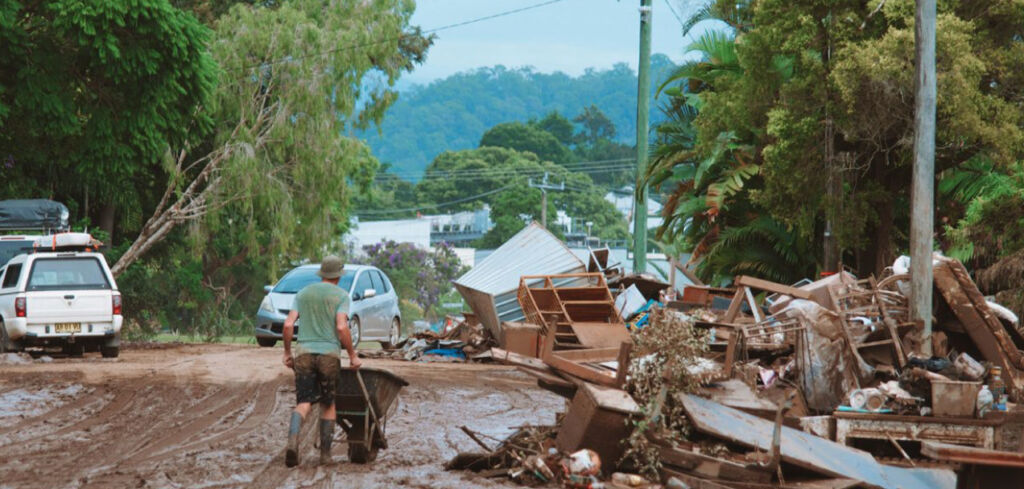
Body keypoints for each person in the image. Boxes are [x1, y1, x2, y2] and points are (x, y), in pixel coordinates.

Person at [282, 255, 361, 467]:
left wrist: (287, 352)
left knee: (304, 402)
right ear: (338, 276)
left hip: (304, 354)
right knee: (328, 403)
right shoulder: (342, 296)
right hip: (328, 356)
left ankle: (292, 442)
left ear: (322, 274)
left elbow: (288, 325)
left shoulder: (303, 294)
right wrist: (352, 355)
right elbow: (342, 327)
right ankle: (325, 456)